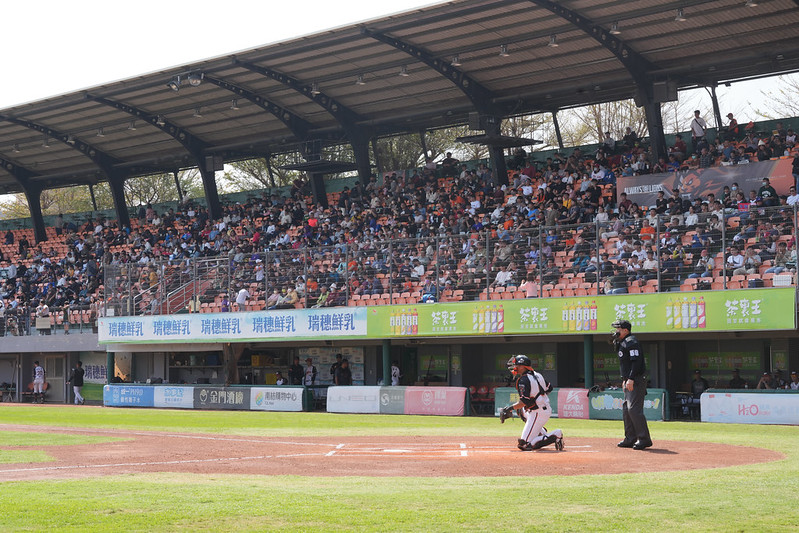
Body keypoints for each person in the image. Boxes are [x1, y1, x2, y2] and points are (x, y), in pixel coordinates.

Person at [504, 354, 563, 452]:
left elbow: (523, 402)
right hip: (540, 409)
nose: (515, 367)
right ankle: (540, 431)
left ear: (522, 366)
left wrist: (509, 409)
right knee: (520, 410)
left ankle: (556, 434)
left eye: (517, 365)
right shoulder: (537, 374)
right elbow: (549, 388)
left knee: (524, 445)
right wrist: (538, 396)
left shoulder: (524, 379)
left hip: (538, 412)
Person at [612, 320, 652, 450]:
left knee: (634, 409)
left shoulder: (632, 342)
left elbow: (636, 362)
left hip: (636, 379)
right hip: (628, 379)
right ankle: (630, 438)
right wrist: (625, 379)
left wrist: (631, 378)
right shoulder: (623, 342)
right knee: (626, 408)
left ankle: (644, 439)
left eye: (618, 328)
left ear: (625, 330)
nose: (615, 331)